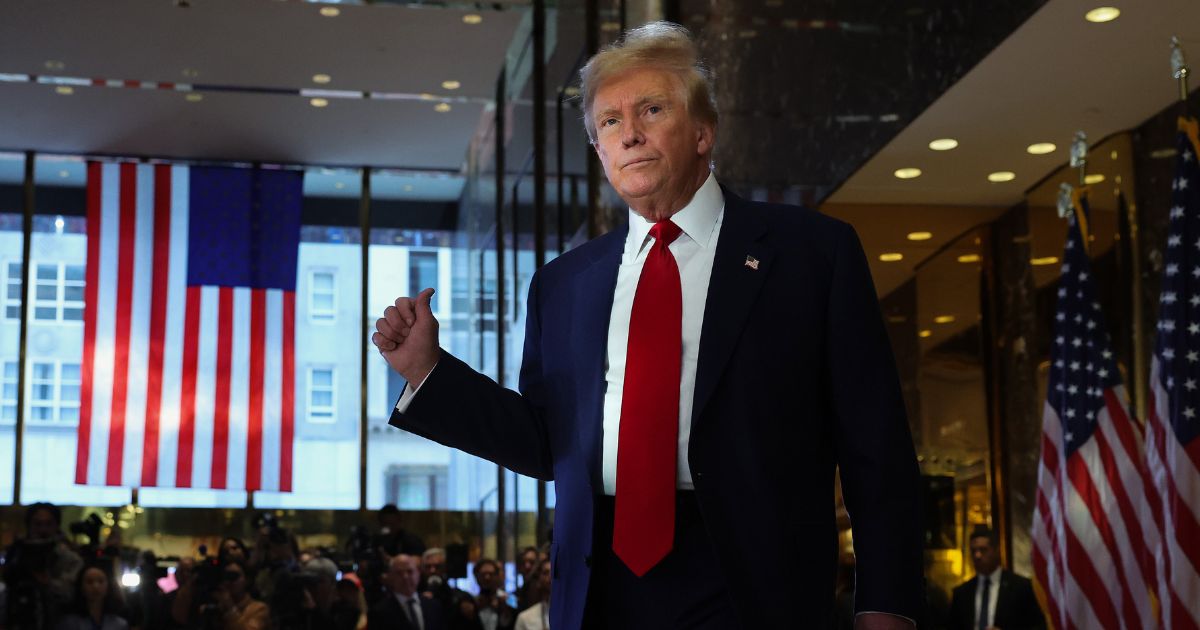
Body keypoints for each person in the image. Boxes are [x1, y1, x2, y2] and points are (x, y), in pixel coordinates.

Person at [373, 20, 923, 630]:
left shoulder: (812, 254)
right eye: (609, 122)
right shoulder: (562, 284)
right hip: (600, 585)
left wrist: (887, 603)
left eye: (651, 110)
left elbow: (877, 449)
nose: (629, 134)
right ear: (601, 152)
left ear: (703, 132)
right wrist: (429, 372)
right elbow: (542, 441)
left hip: (756, 583)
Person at [4, 502, 84, 630]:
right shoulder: (17, 553)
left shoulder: (69, 558)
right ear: (29, 526)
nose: (43, 530)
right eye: (37, 524)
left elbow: (70, 594)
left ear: (56, 526)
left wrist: (47, 582)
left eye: (48, 524)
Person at [950, 528, 1045, 630]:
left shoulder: (1020, 587)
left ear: (996, 550)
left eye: (983, 550)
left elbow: (1038, 626)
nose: (977, 555)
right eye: (974, 551)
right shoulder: (961, 593)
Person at [369, 554, 445, 630]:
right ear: (391, 577)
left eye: (410, 571)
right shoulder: (379, 612)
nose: (405, 577)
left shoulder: (434, 606)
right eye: (399, 573)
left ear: (418, 574)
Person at [56, 564, 129, 630]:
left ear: (108, 586)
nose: (95, 586)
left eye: (101, 581)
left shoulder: (120, 624)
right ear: (81, 587)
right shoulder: (69, 623)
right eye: (89, 582)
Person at [472, 559, 515, 630]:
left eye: (491, 574)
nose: (487, 578)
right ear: (476, 577)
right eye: (483, 574)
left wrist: (505, 608)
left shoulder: (510, 599)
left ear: (497, 576)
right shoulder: (471, 602)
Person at [514, 560, 551, 630]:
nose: (550, 576)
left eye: (554, 572)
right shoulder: (525, 618)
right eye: (546, 573)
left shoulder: (572, 613)